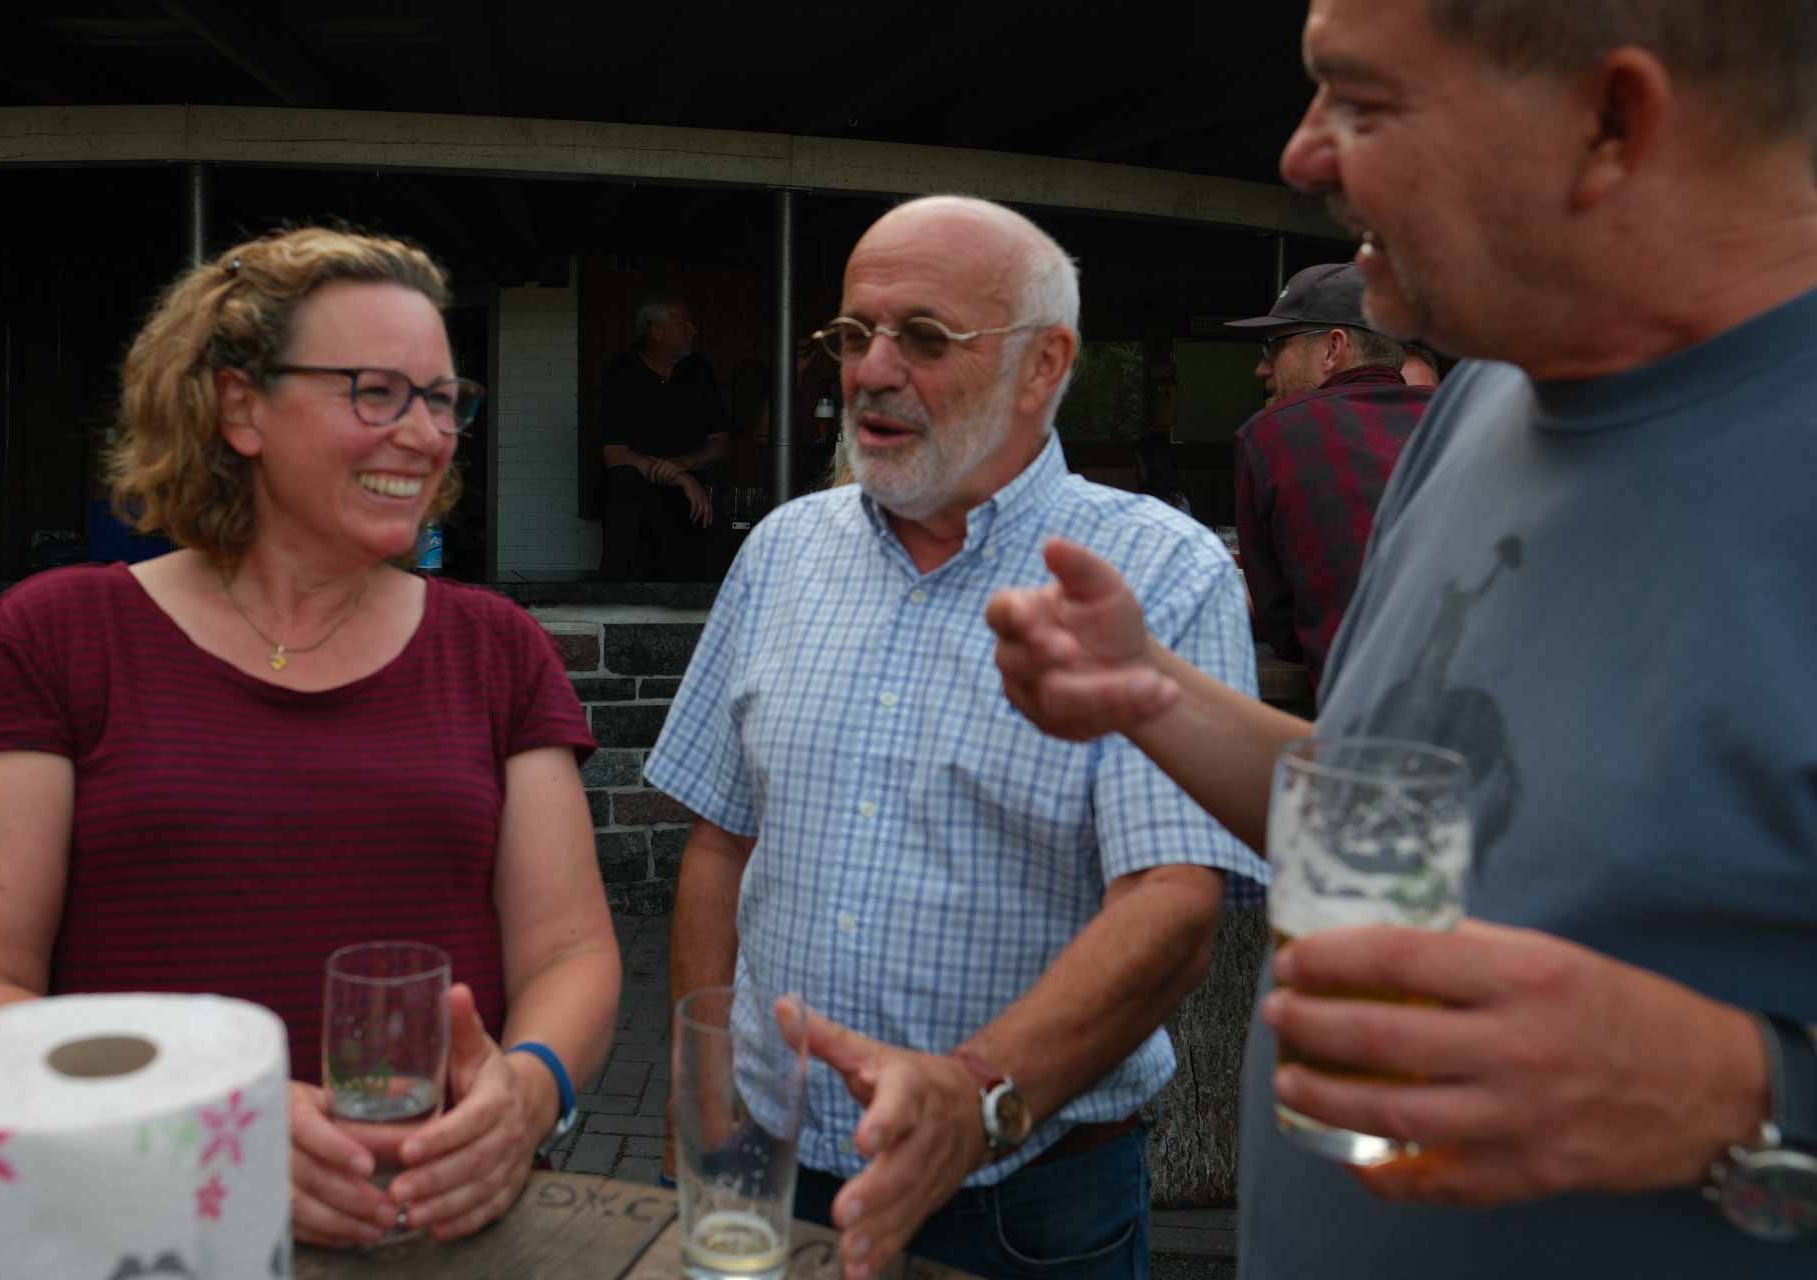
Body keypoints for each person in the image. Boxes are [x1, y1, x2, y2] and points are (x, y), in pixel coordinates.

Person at [986, 0, 1817, 1274]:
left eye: (1364, 103)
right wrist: (1150, 691)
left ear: (1611, 122)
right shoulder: (1481, 399)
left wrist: (1736, 1095)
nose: (1301, 152)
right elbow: (1394, 812)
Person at [0, 227, 622, 1250]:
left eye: (443, 398)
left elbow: (572, 950)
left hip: (440, 1230)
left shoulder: (497, 648)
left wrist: (531, 1089)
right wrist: (207, 1121)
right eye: (376, 392)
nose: (426, 434)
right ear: (239, 406)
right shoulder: (55, 638)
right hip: (140, 1233)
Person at [647, 194, 1266, 1280]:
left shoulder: (1159, 571)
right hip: (773, 1165)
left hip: (1026, 1200)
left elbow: (1175, 911)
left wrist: (975, 1095)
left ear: (1043, 365)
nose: (871, 371)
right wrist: (702, 1095)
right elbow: (721, 841)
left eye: (925, 338)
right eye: (854, 334)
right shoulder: (783, 550)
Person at [1225, 262, 1432, 689]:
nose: (1262, 369)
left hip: (1362, 708)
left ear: (1333, 349)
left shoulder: (1271, 434)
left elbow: (1284, 629)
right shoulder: (1458, 418)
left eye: (1273, 347)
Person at [599, 294, 730, 579]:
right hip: (640, 496)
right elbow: (615, 455)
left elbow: (720, 442)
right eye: (684, 324)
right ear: (656, 331)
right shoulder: (621, 374)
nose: (693, 331)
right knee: (625, 485)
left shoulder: (698, 370)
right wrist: (680, 477)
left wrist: (684, 464)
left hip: (695, 493)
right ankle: (616, 596)